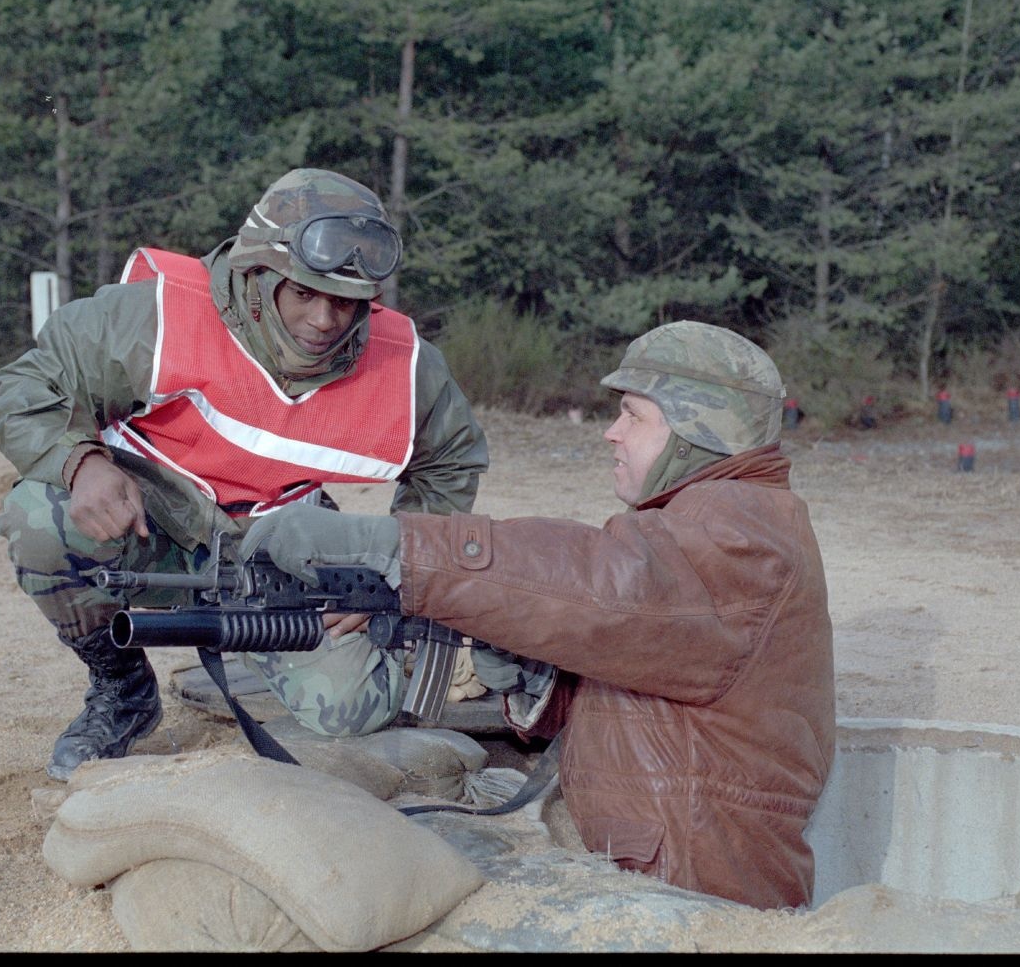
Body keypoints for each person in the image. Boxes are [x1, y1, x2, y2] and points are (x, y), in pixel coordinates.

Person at [243, 321, 836, 910]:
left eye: (633, 414)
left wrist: (395, 545)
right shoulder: (720, 523)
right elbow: (659, 683)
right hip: (674, 868)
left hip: (696, 896)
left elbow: (603, 584)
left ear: (692, 433)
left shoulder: (740, 533)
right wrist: (541, 684)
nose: (611, 432)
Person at [0, 168, 490, 782]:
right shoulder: (156, 317)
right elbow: (22, 387)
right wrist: (82, 462)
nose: (327, 320)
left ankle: (263, 651)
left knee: (352, 710)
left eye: (348, 301)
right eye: (305, 292)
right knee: (40, 520)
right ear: (258, 271)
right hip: (150, 525)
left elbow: (451, 457)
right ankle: (122, 691)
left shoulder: (405, 365)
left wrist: (392, 571)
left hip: (283, 549)